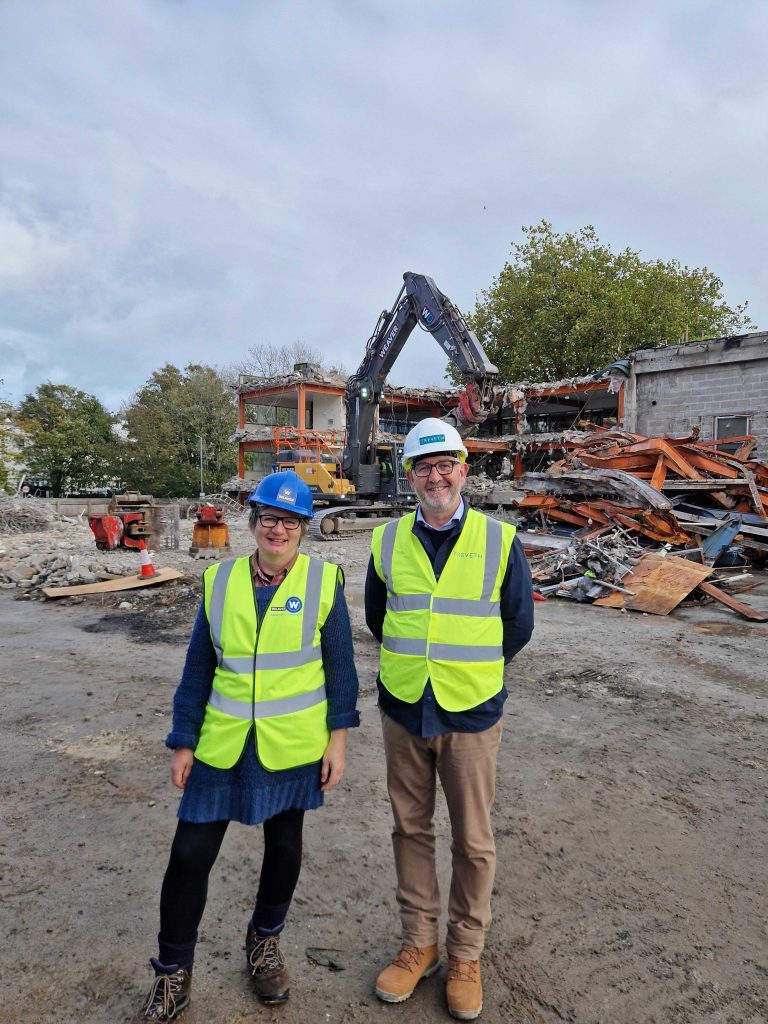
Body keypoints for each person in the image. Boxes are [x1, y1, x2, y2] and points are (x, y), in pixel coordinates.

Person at [132, 471, 359, 1023]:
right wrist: (183, 741)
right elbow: (197, 670)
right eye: (269, 518)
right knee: (189, 856)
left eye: (290, 521)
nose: (278, 530)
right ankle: (172, 972)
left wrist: (338, 740)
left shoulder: (324, 582)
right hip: (223, 742)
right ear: (253, 521)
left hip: (292, 746)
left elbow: (342, 671)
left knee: (284, 847)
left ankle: (264, 941)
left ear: (303, 527)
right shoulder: (219, 581)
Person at [365, 419, 534, 1021]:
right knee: (410, 830)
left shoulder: (499, 540)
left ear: (463, 470)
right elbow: (379, 619)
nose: (435, 477)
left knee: (473, 839)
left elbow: (518, 626)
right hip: (404, 705)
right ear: (409, 476)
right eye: (423, 468)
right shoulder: (386, 541)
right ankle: (420, 943)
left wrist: (467, 669)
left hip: (471, 711)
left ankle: (465, 953)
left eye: (445, 466)